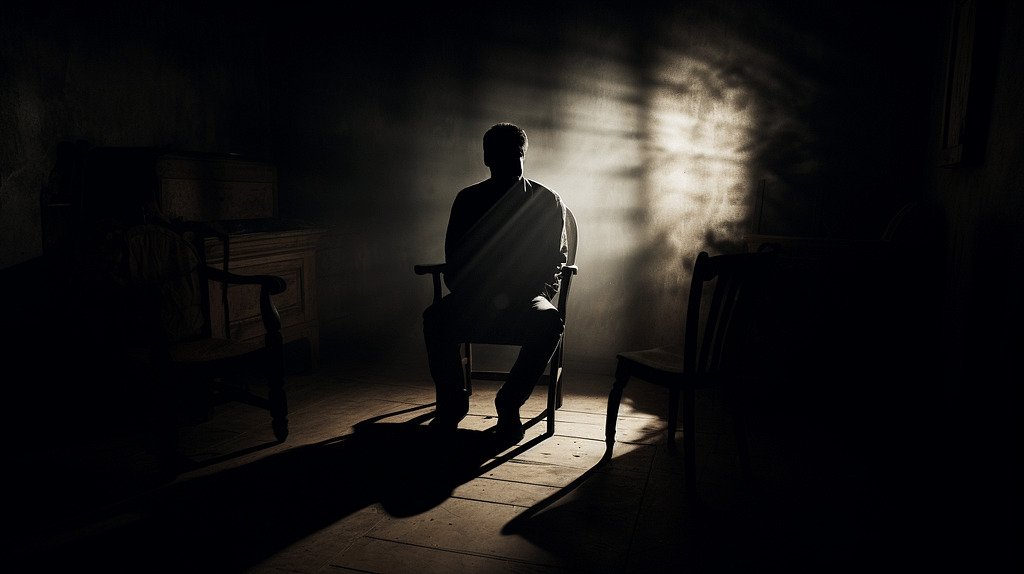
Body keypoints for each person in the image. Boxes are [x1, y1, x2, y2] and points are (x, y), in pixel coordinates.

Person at [423, 123, 567, 440]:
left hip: (527, 294)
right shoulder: (468, 200)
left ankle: (509, 402)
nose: (510, 166)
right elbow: (455, 257)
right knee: (434, 318)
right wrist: (473, 292)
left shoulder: (546, 201)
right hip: (476, 294)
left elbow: (555, 261)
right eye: (501, 158)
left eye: (516, 157)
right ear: (488, 159)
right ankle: (452, 401)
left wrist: (534, 292)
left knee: (549, 321)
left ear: (523, 155)